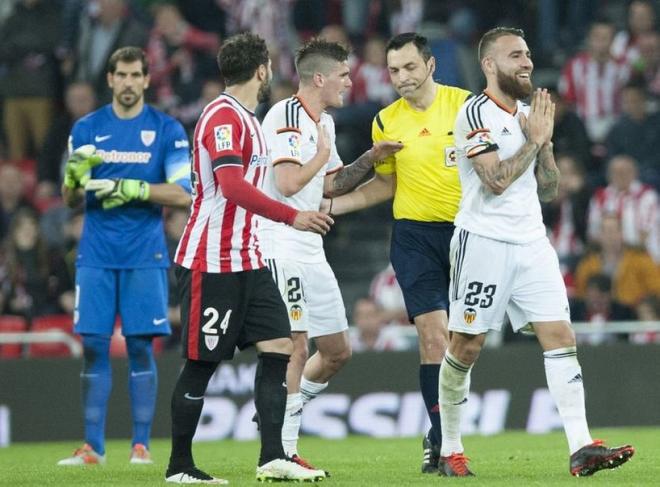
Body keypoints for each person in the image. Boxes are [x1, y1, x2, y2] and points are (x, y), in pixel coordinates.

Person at [438, 27, 634, 477]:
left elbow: (547, 188)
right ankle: (449, 448)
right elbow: (496, 180)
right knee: (466, 346)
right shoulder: (474, 113)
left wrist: (544, 145)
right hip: (483, 241)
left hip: (531, 242)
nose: (526, 62)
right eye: (515, 56)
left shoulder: (528, 115)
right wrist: (534, 140)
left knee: (561, 336)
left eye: (527, 55)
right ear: (489, 65)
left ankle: (581, 447)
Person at [166, 33, 332, 484]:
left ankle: (272, 456)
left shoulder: (249, 120)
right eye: (269, 67)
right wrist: (291, 216)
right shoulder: (222, 116)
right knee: (202, 363)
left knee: (281, 345)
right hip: (212, 259)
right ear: (261, 70)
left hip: (249, 257)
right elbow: (233, 186)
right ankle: (179, 466)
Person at [325, 32, 472, 473]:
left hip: (467, 235)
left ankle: (438, 433)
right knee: (433, 337)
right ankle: (446, 443)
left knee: (464, 346)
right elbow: (387, 185)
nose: (402, 77)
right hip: (413, 237)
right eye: (393, 70)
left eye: (410, 67)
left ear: (430, 65)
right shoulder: (386, 120)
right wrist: (334, 204)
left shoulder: (466, 107)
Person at [258, 38, 403, 470]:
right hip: (281, 241)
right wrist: (321, 154)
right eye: (343, 75)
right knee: (296, 346)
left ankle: (278, 413)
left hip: (312, 247)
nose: (349, 82)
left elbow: (332, 185)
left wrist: (371, 158)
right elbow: (285, 184)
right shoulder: (285, 115)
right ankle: (281, 450)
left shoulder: (327, 123)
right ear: (319, 78)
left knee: (338, 351)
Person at [57, 46, 193, 466]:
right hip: (96, 252)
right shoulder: (86, 128)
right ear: (111, 79)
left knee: (139, 346)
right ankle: (93, 448)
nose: (130, 82)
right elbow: (69, 198)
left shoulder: (167, 130)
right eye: (123, 75)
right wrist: (74, 180)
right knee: (95, 345)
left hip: (144, 252)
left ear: (147, 80)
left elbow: (183, 193)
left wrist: (135, 189)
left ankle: (141, 446)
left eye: (137, 75)